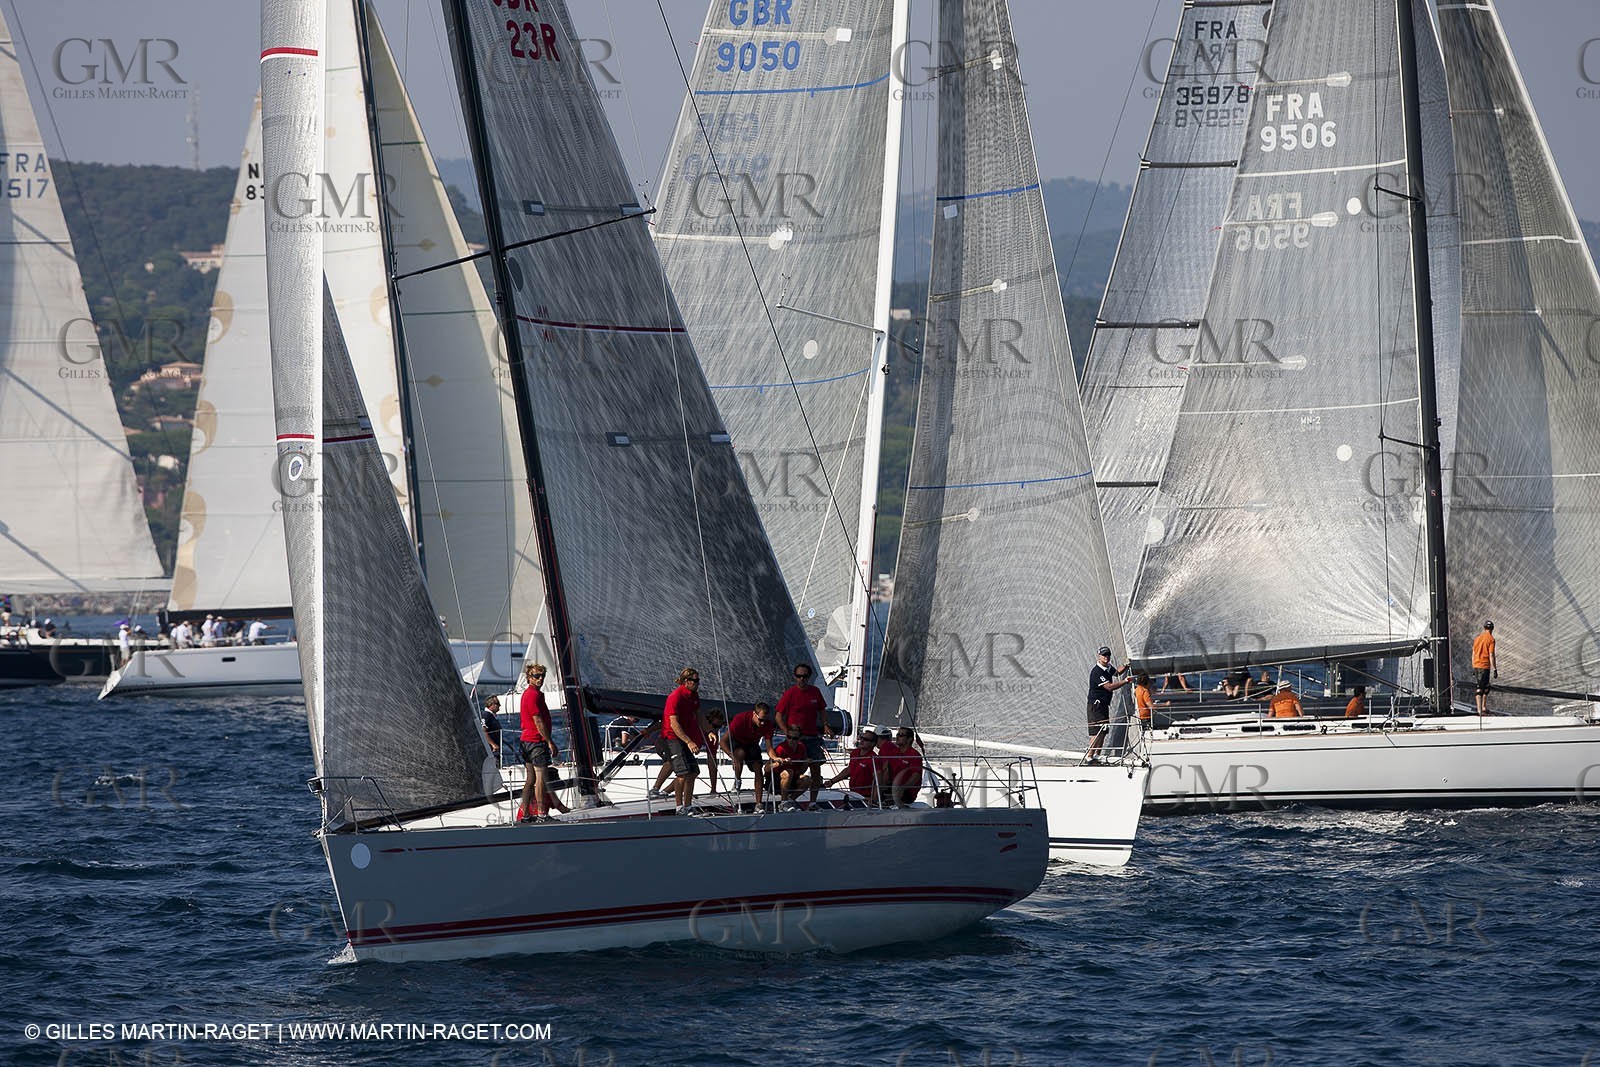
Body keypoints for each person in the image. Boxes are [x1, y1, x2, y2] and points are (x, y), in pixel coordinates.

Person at [776, 662, 833, 808]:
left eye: (805, 676)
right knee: (792, 768)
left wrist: (825, 724)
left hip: (813, 737)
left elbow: (822, 710)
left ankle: (812, 802)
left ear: (809, 677)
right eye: (799, 676)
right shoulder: (790, 693)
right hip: (796, 737)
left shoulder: (815, 691)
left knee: (815, 769)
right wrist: (787, 732)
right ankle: (785, 799)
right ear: (795, 677)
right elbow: (778, 716)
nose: (802, 679)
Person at [517, 663, 559, 823]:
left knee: (531, 779)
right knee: (540, 778)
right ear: (529, 678)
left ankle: (526, 815)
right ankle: (542, 814)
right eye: (536, 676)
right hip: (536, 742)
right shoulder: (533, 695)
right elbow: (538, 721)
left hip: (526, 741)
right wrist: (550, 742)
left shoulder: (530, 694)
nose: (540, 679)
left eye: (542, 676)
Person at [662, 667, 707, 815]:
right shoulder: (675, 697)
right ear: (686, 681)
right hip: (673, 738)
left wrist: (709, 731)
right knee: (682, 773)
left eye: (698, 680)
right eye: (694, 681)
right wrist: (689, 741)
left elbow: (699, 714)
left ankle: (688, 806)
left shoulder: (694, 695)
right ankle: (679, 807)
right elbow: (674, 724)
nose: (697, 683)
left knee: (693, 772)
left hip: (685, 738)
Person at [724, 702, 776, 807]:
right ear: (754, 714)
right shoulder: (740, 719)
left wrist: (775, 757)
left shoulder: (768, 725)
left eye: (764, 721)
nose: (762, 723)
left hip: (752, 744)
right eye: (760, 720)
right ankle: (737, 780)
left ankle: (759, 803)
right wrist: (732, 757)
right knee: (740, 754)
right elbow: (722, 742)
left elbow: (769, 747)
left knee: (758, 769)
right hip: (737, 742)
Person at [1085, 645, 1132, 762]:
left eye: (1108, 655)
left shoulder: (1107, 667)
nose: (1106, 657)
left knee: (1104, 730)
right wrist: (1125, 681)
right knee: (1097, 731)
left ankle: (1097, 755)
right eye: (1104, 655)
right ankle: (1089, 756)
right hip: (1096, 705)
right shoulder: (1097, 672)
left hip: (1104, 705)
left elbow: (1116, 673)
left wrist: (1126, 665)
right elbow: (1109, 687)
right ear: (1099, 656)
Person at [825, 725, 880, 804]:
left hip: (865, 797)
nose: (862, 740)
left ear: (873, 744)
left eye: (866, 739)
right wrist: (832, 781)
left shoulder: (874, 758)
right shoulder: (855, 753)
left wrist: (873, 799)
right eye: (861, 737)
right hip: (853, 794)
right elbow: (849, 770)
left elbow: (878, 780)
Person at [768, 731, 812, 808]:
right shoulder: (780, 748)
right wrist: (780, 762)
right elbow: (766, 768)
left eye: (794, 738)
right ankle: (783, 803)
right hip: (776, 779)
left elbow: (801, 770)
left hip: (793, 778)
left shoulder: (802, 748)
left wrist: (806, 763)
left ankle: (790, 800)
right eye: (789, 737)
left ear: (799, 739)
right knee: (789, 772)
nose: (791, 740)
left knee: (807, 780)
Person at [886, 727, 924, 806]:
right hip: (892, 788)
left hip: (906, 792)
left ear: (909, 739)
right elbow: (887, 770)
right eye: (897, 734)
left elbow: (916, 776)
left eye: (901, 735)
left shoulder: (914, 755)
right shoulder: (894, 753)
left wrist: (903, 788)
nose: (897, 737)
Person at [1472, 620, 1497, 715]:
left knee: (1486, 686)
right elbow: (1491, 655)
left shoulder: (1477, 639)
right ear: (1492, 629)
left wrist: (1473, 666)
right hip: (1484, 666)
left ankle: (1483, 707)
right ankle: (1479, 710)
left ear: (1484, 628)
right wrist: (1495, 669)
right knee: (1480, 688)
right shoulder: (1491, 639)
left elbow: (1473, 653)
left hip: (1477, 665)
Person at [480, 694, 503, 760]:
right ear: (491, 704)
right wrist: (493, 744)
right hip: (491, 750)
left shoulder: (491, 716)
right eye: (497, 704)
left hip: (496, 749)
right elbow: (483, 731)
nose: (499, 706)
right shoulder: (486, 715)